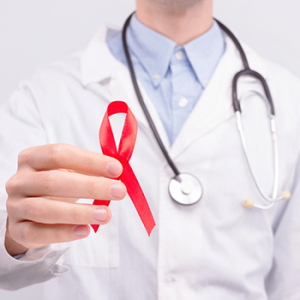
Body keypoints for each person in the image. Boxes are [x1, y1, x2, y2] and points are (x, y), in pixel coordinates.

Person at [0, 0, 300, 299]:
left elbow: (292, 283)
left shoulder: (288, 102)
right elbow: (7, 265)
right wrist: (15, 236)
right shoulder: (44, 97)